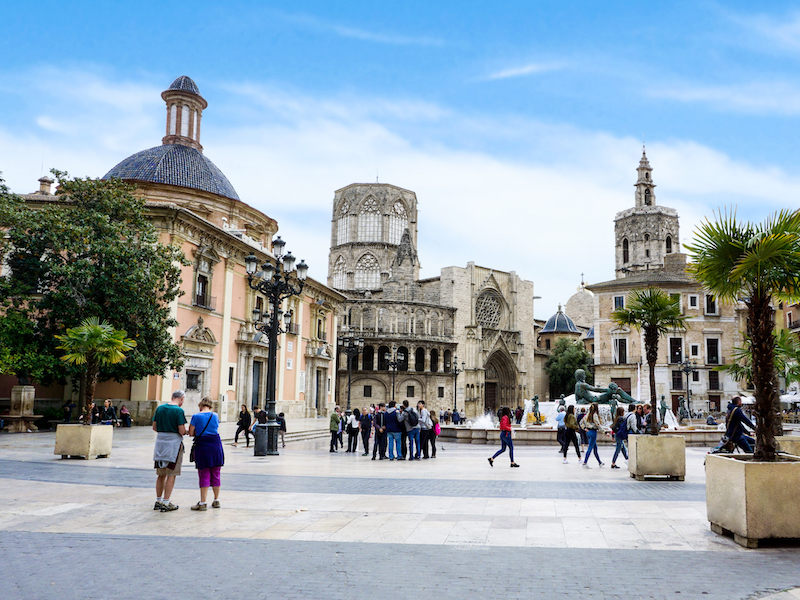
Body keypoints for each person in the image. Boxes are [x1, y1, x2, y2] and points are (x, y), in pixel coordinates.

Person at [152, 390, 188, 512]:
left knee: (161, 473)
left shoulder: (160, 408)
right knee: (171, 473)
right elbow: (181, 431)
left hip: (160, 443)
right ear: (181, 398)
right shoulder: (179, 411)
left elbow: (154, 427)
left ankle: (158, 500)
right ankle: (166, 502)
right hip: (174, 444)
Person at [188, 396, 224, 511]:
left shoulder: (196, 416)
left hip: (202, 445)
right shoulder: (215, 415)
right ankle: (216, 499)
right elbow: (215, 427)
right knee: (216, 472)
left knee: (204, 473)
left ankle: (203, 502)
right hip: (215, 444)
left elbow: (191, 433)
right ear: (210, 405)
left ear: (200, 405)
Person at [581, 402, 605, 469]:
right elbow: (598, 424)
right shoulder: (594, 415)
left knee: (595, 448)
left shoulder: (587, 414)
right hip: (593, 432)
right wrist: (604, 432)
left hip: (588, 432)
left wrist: (584, 428)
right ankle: (585, 463)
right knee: (590, 449)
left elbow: (581, 422)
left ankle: (600, 462)